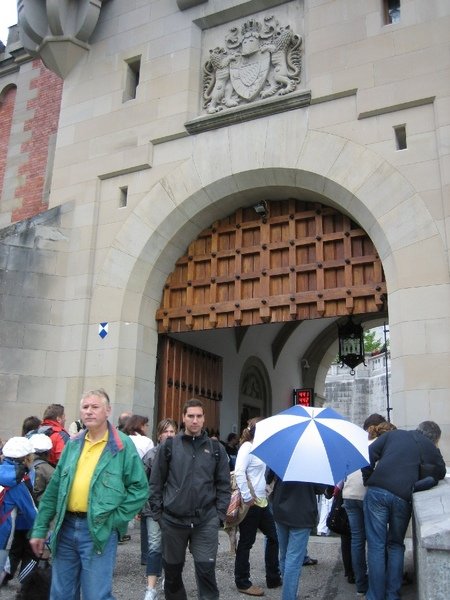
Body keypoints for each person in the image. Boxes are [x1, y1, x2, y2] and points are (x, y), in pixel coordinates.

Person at [29, 388, 149, 600]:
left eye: (95, 407)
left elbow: (140, 488)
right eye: (85, 407)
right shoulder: (73, 444)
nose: (89, 412)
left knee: (96, 595)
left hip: (98, 531)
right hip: (65, 528)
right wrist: (40, 528)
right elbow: (54, 489)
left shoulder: (121, 445)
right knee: (61, 595)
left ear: (108, 411)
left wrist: (115, 519)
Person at [149, 398, 230, 600]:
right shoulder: (169, 446)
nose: (195, 420)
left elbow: (223, 484)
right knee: (173, 576)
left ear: (204, 419)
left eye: (199, 416)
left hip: (205, 521)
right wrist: (159, 515)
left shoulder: (216, 449)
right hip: (173, 521)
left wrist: (219, 515)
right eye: (190, 416)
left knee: (206, 573)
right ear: (183, 418)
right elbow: (156, 482)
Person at [363, 420, 446, 600]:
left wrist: (368, 478)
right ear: (434, 439)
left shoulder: (394, 434)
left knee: (376, 546)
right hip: (403, 496)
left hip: (377, 491)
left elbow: (368, 452)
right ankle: (393, 595)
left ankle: (375, 596)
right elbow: (439, 473)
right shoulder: (430, 449)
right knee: (395, 544)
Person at [342, 413, 389, 596]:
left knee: (357, 539)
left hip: (349, 494)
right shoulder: (381, 445)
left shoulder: (355, 444)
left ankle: (361, 585)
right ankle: (379, 581)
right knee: (377, 541)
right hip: (368, 495)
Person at [234, 418, 281, 596]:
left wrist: (268, 489)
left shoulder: (262, 449)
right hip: (251, 503)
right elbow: (239, 471)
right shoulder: (247, 447)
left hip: (262, 501)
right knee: (247, 542)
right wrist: (247, 497)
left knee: (273, 536)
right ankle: (242, 581)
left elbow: (263, 474)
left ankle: (273, 577)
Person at [268, 469, 327, 600]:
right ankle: (289, 596)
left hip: (281, 508)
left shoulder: (283, 453)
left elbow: (268, 478)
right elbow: (321, 488)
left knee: (284, 555)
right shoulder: (315, 462)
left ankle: (289, 592)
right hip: (302, 511)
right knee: (294, 559)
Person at [141, 418, 177, 600]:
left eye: (172, 431)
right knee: (154, 546)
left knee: (172, 547)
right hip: (153, 509)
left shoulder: (181, 454)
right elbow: (141, 483)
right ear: (159, 434)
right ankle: (151, 588)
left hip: (175, 509)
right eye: (166, 431)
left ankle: (169, 579)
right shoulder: (150, 455)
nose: (169, 435)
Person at [0, 437, 37, 587]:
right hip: (3, 533)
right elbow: (32, 513)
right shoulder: (19, 481)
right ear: (26, 458)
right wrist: (47, 535)